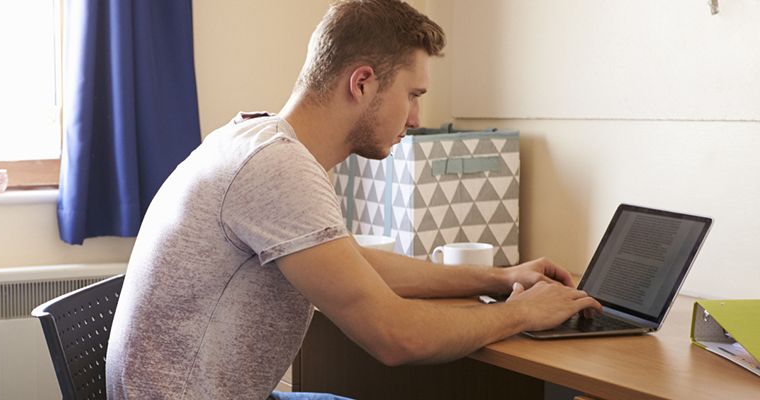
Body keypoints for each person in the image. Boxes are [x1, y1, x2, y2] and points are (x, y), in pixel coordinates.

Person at [106, 0, 603, 399]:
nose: (415, 118)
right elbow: (395, 336)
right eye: (413, 94)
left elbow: (354, 264)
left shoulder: (253, 138)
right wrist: (523, 312)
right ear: (362, 82)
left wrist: (500, 278)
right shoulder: (277, 169)